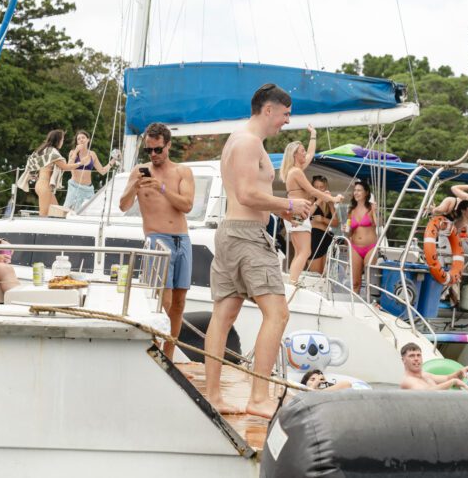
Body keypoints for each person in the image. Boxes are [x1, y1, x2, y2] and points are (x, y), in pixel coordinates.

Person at [204, 83, 311, 418]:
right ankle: (259, 397)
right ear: (268, 110)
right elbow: (249, 194)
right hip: (247, 238)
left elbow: (244, 194)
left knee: (224, 315)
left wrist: (281, 210)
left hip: (232, 232)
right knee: (277, 313)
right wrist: (288, 202)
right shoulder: (250, 143)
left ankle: (212, 396)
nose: (286, 121)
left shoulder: (239, 140)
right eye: (284, 114)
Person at [119, 122, 195, 361]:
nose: (153, 155)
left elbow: (187, 205)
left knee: (179, 303)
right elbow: (123, 205)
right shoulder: (139, 172)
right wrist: (135, 185)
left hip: (182, 240)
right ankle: (156, 353)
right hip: (156, 240)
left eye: (157, 149)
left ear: (168, 145)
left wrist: (161, 188)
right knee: (164, 301)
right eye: (148, 150)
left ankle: (168, 357)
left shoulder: (182, 172)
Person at [279, 136, 342, 283]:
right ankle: (293, 282)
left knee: (301, 252)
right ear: (295, 154)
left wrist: (313, 134)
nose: (305, 153)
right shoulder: (296, 172)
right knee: (305, 251)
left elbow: (311, 154)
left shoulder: (295, 170)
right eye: (302, 151)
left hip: (296, 213)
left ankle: (293, 282)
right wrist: (333, 199)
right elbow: (312, 191)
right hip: (298, 213)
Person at [17, 129, 75, 217]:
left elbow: (31, 161)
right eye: (62, 140)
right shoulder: (53, 152)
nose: (63, 142)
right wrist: (81, 164)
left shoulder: (44, 150)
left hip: (40, 184)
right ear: (58, 140)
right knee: (43, 214)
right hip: (44, 186)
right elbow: (65, 167)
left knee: (58, 214)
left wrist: (34, 174)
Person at [399, 342, 468, 391]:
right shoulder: (408, 381)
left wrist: (461, 371)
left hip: (458, 401)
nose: (416, 359)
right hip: (454, 407)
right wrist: (453, 382)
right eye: (411, 356)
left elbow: (447, 377)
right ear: (403, 360)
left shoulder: (424, 375)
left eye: (418, 355)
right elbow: (428, 394)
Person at [62, 130, 117, 213]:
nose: (81, 140)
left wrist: (113, 160)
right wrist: (76, 151)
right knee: (70, 211)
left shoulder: (92, 154)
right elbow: (69, 167)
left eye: (83, 138)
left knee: (89, 212)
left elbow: (102, 171)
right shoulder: (73, 153)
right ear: (77, 142)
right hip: (74, 187)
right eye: (79, 139)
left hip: (88, 189)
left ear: (88, 140)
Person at [345, 180, 377, 293]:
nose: (356, 193)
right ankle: (354, 307)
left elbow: (380, 224)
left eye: (359, 190)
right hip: (355, 247)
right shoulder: (351, 210)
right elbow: (349, 232)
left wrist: (375, 211)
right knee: (355, 282)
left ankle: (368, 305)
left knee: (369, 281)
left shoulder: (371, 208)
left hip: (370, 247)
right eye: (355, 190)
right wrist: (346, 230)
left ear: (366, 193)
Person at [308, 175, 339, 274]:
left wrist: (323, 218)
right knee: (315, 273)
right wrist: (320, 199)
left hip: (327, 237)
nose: (319, 190)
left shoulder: (328, 202)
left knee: (325, 274)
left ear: (325, 188)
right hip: (314, 238)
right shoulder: (310, 200)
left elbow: (335, 223)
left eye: (321, 187)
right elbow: (306, 215)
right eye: (316, 187)